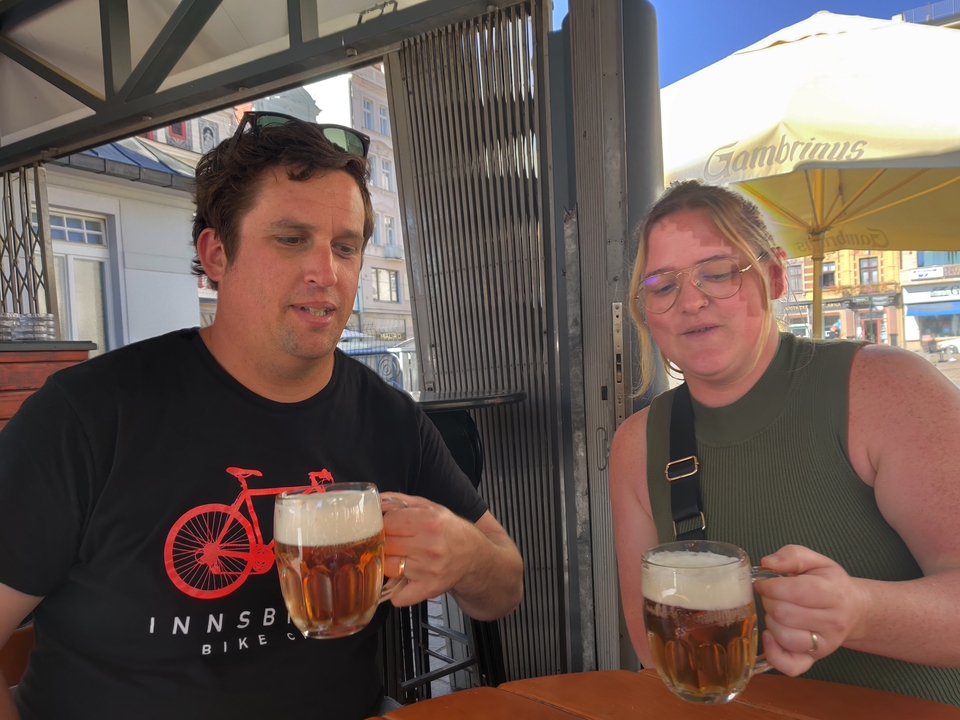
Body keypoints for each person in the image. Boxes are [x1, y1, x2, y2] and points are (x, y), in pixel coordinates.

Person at [0, 112, 523, 720]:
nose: (326, 273)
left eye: (345, 247)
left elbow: (504, 586)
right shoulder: (86, 416)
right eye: (291, 238)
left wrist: (465, 552)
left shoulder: (388, 417)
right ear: (216, 254)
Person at [609, 180, 960, 705]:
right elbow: (651, 645)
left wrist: (859, 611)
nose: (691, 300)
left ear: (773, 275)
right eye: (662, 285)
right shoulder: (637, 444)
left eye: (718, 272)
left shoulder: (887, 389)